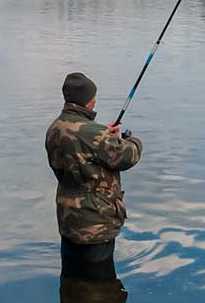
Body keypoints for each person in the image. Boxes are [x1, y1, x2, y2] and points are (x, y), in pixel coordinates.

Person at [45, 72, 143, 281]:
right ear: (87, 100)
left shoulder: (55, 128)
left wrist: (102, 136)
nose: (95, 100)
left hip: (68, 220)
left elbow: (81, 148)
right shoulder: (92, 133)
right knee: (100, 286)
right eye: (94, 97)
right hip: (95, 224)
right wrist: (131, 140)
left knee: (73, 279)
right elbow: (128, 156)